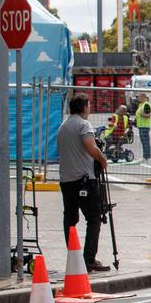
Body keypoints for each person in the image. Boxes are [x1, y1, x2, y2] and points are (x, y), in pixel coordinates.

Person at [57, 94, 111, 272]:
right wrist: (102, 159)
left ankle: (73, 256)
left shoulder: (63, 126)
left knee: (70, 219)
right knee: (94, 218)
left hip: (66, 181)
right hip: (84, 180)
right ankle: (89, 259)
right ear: (85, 107)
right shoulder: (83, 124)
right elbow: (90, 146)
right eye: (89, 105)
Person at [134, 93, 151, 160]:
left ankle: (146, 157)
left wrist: (142, 114)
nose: (138, 98)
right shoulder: (140, 105)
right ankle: (145, 156)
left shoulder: (146, 104)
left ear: (144, 97)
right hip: (140, 126)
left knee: (145, 142)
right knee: (143, 142)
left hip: (145, 127)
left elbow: (148, 115)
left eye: (139, 97)